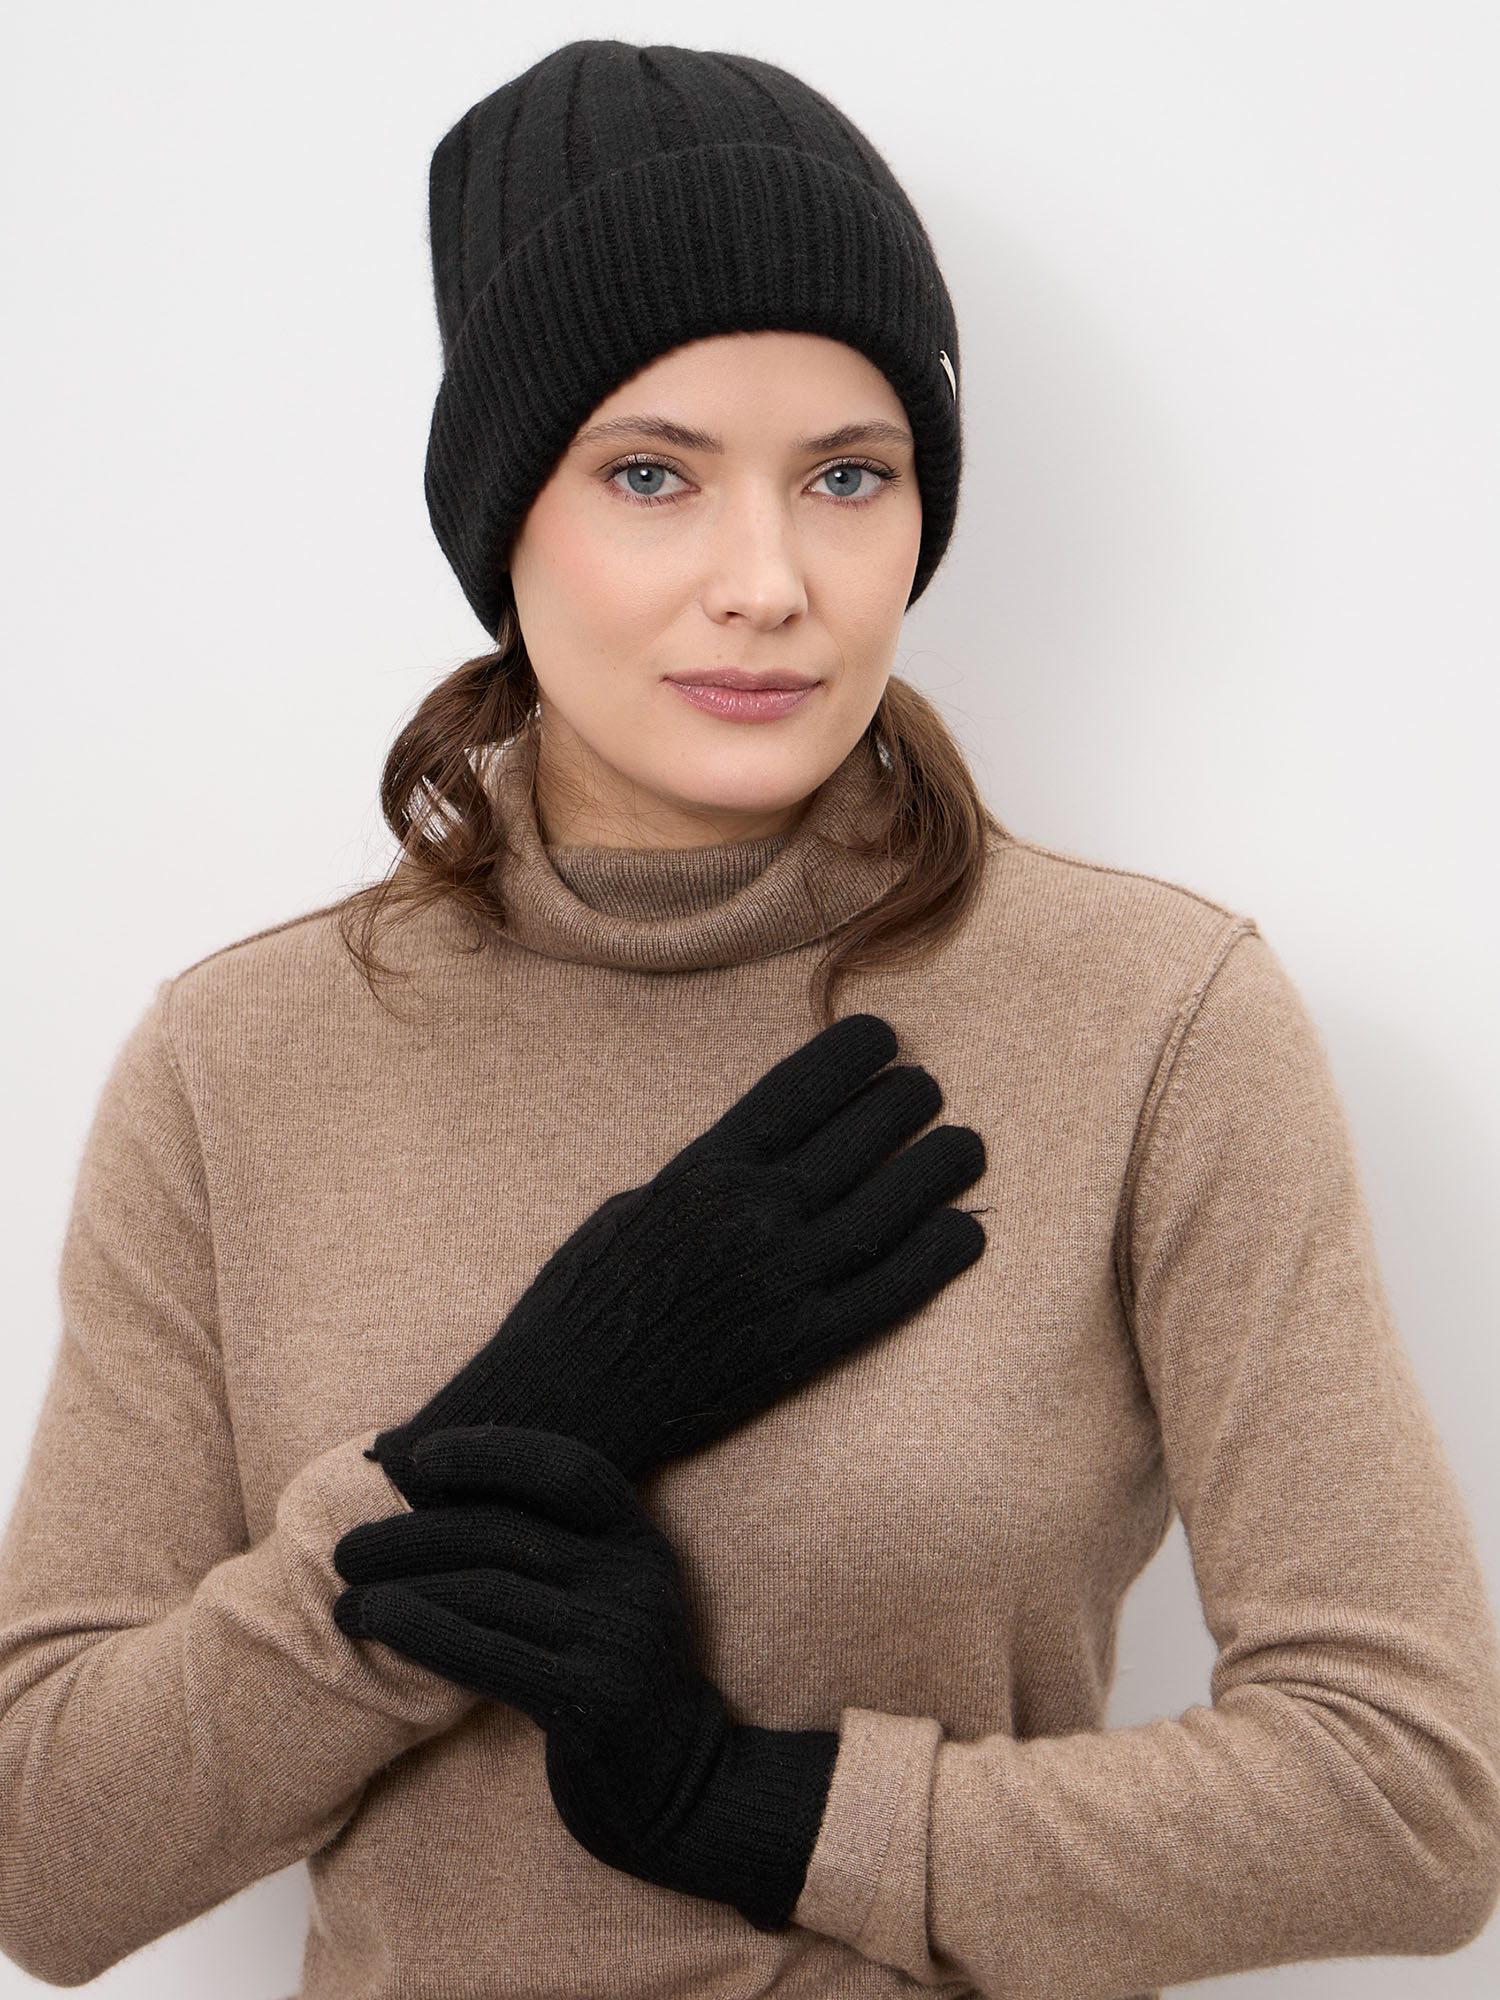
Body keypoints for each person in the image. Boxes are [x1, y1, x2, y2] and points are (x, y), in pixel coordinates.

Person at [1, 36, 1497, 2000]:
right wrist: (488, 1457)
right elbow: (46, 1857)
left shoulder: (1155, 1017)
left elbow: (1410, 1795)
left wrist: (758, 1807)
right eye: (652, 475)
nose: (770, 581)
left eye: (848, 476)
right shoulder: (237, 1062)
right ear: (504, 517)